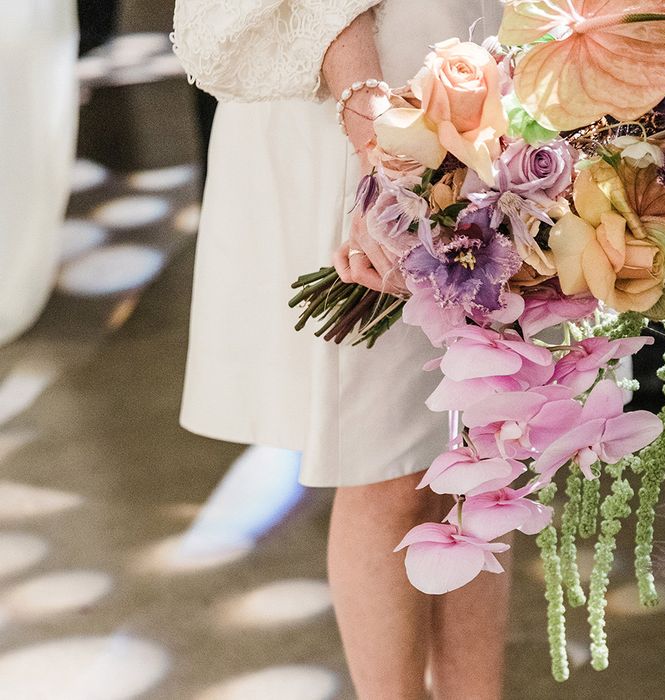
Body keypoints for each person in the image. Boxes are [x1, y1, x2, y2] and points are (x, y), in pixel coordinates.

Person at [172, 2, 510, 697]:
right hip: (363, 73)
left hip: (492, 58)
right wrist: (371, 130)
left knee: (484, 451)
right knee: (386, 460)